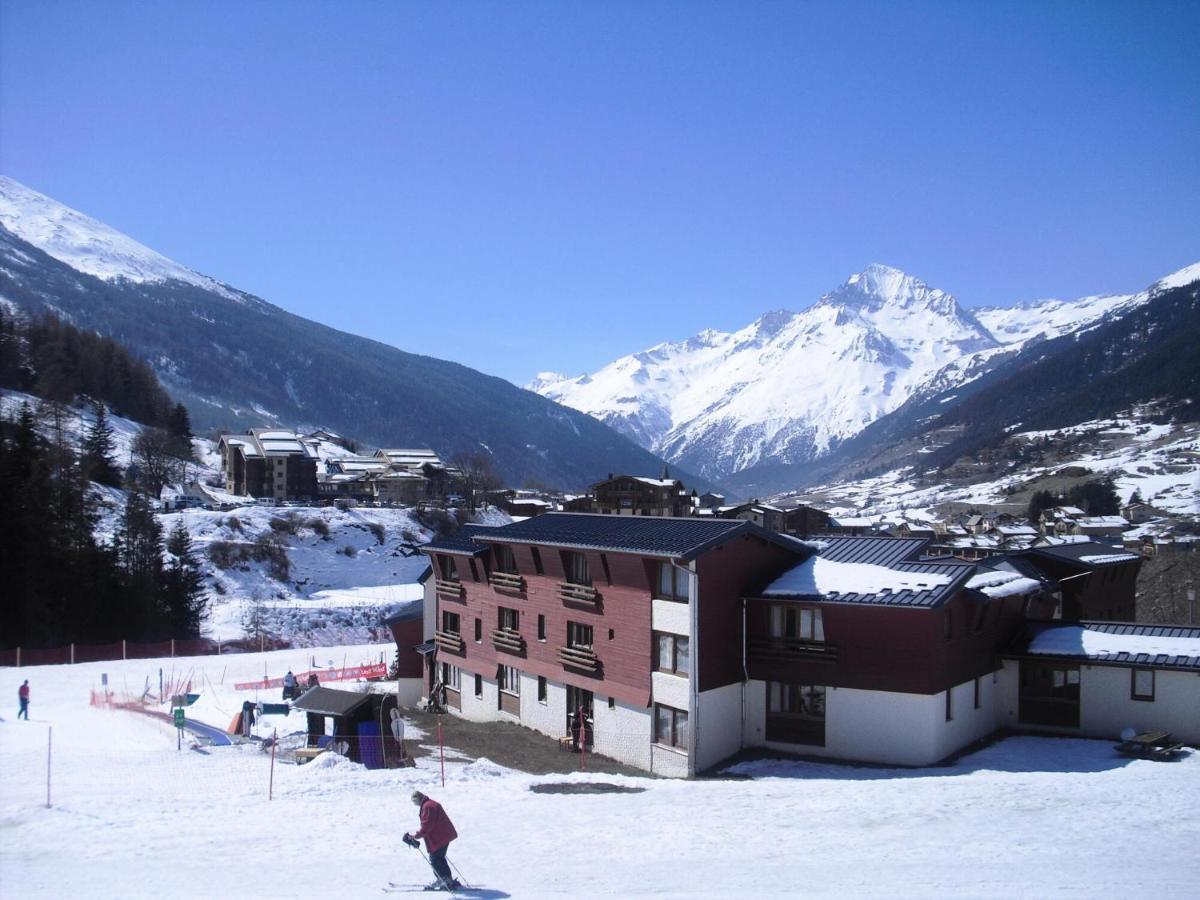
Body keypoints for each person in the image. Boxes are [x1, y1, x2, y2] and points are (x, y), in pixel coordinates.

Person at [404, 791, 460, 891]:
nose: (414, 804)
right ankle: (447, 879)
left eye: (414, 801)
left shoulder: (428, 806)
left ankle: (442, 879)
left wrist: (416, 836)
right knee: (439, 858)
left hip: (441, 836)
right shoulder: (429, 804)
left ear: (418, 799)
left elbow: (427, 825)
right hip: (443, 835)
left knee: (435, 859)